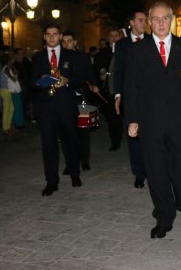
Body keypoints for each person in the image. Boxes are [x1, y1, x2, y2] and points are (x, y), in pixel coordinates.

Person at [124, 2, 181, 239]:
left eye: (165, 18)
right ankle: (164, 215)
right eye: (155, 19)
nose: (160, 23)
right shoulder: (137, 51)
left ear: (172, 20)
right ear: (149, 22)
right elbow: (131, 87)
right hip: (151, 123)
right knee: (157, 171)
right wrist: (132, 119)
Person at [32, 24, 94, 196]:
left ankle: (75, 174)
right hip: (46, 109)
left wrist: (67, 80)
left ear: (60, 36)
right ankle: (51, 182)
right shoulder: (38, 58)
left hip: (67, 107)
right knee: (49, 146)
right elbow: (32, 84)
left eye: (55, 34)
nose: (52, 37)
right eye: (48, 34)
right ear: (44, 37)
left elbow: (82, 77)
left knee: (71, 142)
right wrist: (42, 81)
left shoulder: (72, 55)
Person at [114, 11, 148, 188]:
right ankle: (139, 173)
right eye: (141, 20)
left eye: (145, 20)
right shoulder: (122, 45)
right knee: (133, 135)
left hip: (151, 97)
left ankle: (153, 168)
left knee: (151, 133)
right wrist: (118, 95)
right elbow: (118, 72)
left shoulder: (152, 41)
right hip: (131, 97)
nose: (145, 23)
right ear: (132, 23)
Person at [61, 30, 97, 171]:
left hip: (81, 98)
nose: (66, 44)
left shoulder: (82, 57)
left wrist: (94, 85)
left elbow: (90, 75)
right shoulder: (59, 57)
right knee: (66, 132)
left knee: (83, 131)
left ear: (75, 42)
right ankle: (70, 163)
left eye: (69, 41)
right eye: (63, 41)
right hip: (65, 99)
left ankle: (84, 159)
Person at [93, 28, 123, 151]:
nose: (114, 38)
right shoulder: (102, 53)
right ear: (108, 38)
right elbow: (98, 68)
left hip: (124, 89)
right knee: (112, 117)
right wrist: (101, 75)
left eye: (116, 35)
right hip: (109, 90)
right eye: (112, 35)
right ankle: (115, 141)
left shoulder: (125, 50)